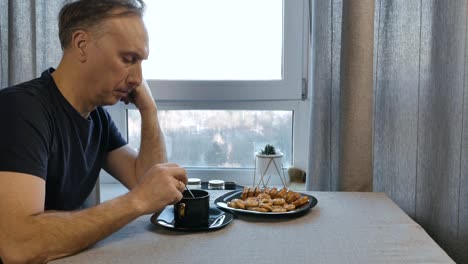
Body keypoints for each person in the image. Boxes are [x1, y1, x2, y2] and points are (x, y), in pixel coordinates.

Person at [0, 1, 188, 263]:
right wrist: (136, 201)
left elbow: (146, 183)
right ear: (81, 44)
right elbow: (17, 245)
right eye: (128, 59)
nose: (137, 78)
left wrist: (149, 111)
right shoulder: (20, 110)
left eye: (141, 62)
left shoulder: (97, 117)